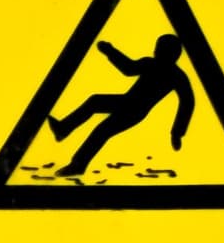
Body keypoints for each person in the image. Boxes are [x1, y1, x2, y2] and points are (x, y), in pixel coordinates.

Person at [47, 33, 195, 178]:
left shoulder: (169, 72)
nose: (155, 51)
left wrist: (177, 132)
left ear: (171, 53)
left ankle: (77, 161)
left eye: (160, 48)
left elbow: (187, 102)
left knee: (101, 129)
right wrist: (110, 51)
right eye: (157, 47)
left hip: (134, 110)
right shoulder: (161, 68)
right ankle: (64, 130)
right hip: (128, 103)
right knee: (96, 104)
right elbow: (128, 68)